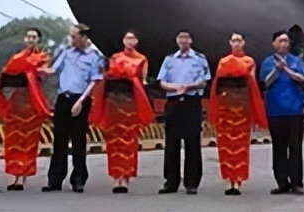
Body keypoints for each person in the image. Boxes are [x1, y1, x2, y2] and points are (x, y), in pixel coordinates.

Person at [89, 30, 153, 193]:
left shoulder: (142, 59)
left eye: (132, 38)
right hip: (113, 103)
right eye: (127, 38)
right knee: (113, 140)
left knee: (129, 140)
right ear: (123, 41)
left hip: (130, 104)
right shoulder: (115, 58)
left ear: (137, 41)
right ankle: (115, 176)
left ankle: (125, 177)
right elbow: (105, 76)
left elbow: (143, 82)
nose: (130, 41)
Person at [42, 23, 104, 193]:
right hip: (63, 98)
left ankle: (78, 179)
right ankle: (54, 179)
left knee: (78, 140)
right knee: (59, 140)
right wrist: (37, 70)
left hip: (80, 99)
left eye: (75, 36)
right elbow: (53, 70)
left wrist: (81, 101)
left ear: (84, 37)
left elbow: (94, 81)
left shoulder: (95, 56)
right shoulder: (67, 52)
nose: (72, 40)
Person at [0, 27, 51, 191]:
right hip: (15, 104)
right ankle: (12, 175)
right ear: (24, 39)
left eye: (34, 37)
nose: (31, 40)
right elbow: (7, 74)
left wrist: (33, 72)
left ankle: (22, 177)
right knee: (13, 140)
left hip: (32, 103)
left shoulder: (42, 57)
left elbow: (44, 76)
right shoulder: (16, 58)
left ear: (38, 40)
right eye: (28, 37)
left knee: (29, 141)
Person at [209, 32, 268, 195]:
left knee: (241, 146)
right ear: (230, 43)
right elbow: (217, 86)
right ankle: (228, 180)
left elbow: (252, 86)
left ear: (244, 43)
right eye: (234, 40)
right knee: (225, 145)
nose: (236, 43)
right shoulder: (223, 61)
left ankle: (238, 181)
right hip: (225, 110)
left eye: (239, 40)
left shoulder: (250, 61)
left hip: (242, 110)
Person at [156, 29, 211, 194]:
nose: (184, 40)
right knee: (171, 143)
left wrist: (189, 87)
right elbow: (162, 82)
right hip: (173, 101)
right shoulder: (169, 60)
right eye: (181, 37)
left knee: (192, 142)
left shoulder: (199, 59)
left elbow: (204, 81)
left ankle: (192, 182)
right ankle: (171, 182)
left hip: (191, 101)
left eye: (186, 37)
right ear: (177, 40)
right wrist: (176, 88)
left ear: (191, 41)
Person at [259, 30, 304, 195]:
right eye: (280, 41)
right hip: (275, 109)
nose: (284, 44)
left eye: (286, 41)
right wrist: (277, 70)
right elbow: (265, 82)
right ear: (274, 44)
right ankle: (282, 182)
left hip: (294, 109)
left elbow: (301, 78)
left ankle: (296, 182)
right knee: (279, 147)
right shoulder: (267, 62)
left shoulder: (296, 61)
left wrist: (286, 69)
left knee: (295, 147)